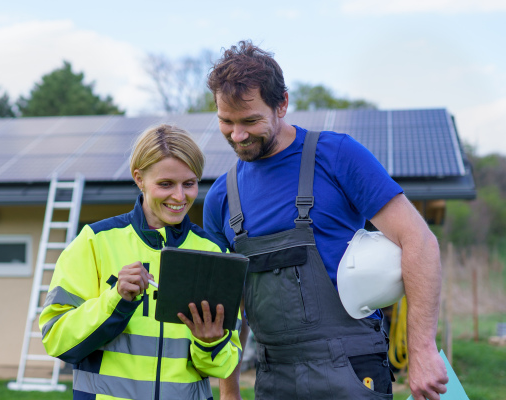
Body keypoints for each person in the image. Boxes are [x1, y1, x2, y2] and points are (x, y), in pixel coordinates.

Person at [203, 41, 449, 400]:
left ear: (282, 104)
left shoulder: (337, 156)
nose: (237, 135)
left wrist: (422, 350)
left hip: (351, 367)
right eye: (227, 122)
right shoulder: (220, 198)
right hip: (273, 376)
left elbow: (420, 242)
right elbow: (229, 302)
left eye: (250, 121)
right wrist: (229, 391)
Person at [40, 124, 242, 400]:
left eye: (189, 183)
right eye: (165, 184)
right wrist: (116, 300)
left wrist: (211, 342)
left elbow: (224, 364)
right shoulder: (94, 242)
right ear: (139, 179)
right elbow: (56, 340)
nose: (180, 197)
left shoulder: (215, 253)